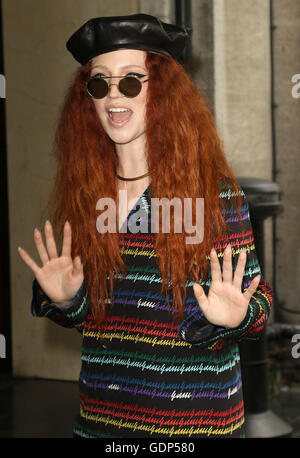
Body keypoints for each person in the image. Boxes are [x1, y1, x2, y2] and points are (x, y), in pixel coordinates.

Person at [18, 14, 273, 438]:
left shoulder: (210, 196)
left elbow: (257, 304)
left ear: (165, 92)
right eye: (99, 83)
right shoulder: (88, 195)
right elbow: (95, 320)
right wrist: (69, 300)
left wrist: (239, 315)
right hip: (102, 423)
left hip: (190, 428)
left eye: (132, 81)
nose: (114, 96)